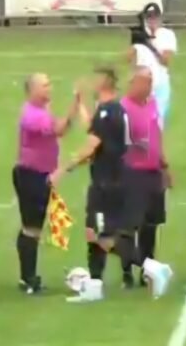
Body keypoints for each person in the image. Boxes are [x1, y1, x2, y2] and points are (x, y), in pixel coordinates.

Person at [49, 67, 174, 301]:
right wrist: (80, 104)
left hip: (106, 184)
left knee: (102, 237)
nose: (90, 84)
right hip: (115, 179)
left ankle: (152, 267)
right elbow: (95, 127)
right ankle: (95, 286)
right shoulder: (114, 110)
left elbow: (91, 145)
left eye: (94, 79)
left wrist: (63, 169)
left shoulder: (107, 112)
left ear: (104, 83)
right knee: (93, 233)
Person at [13, 73, 78, 294]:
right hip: (31, 175)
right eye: (44, 85)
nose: (49, 88)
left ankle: (27, 277)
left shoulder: (41, 111)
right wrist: (75, 104)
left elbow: (60, 130)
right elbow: (59, 129)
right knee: (31, 228)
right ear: (32, 90)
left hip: (38, 174)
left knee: (33, 228)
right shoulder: (32, 115)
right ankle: (28, 279)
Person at [119, 67, 171, 288]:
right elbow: (121, 141)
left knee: (151, 224)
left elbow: (157, 136)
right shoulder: (123, 108)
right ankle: (127, 271)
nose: (149, 86)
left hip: (153, 172)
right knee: (131, 224)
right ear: (133, 83)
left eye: (150, 81)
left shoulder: (152, 104)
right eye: (145, 81)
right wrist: (137, 144)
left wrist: (165, 166)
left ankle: (147, 270)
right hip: (132, 172)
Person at [128, 3, 177, 126]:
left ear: (160, 18)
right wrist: (135, 41)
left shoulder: (167, 35)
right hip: (142, 85)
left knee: (157, 123)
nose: (152, 20)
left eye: (155, 17)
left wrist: (149, 44)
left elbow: (165, 61)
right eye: (149, 17)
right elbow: (129, 58)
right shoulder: (141, 34)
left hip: (160, 84)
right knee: (139, 123)